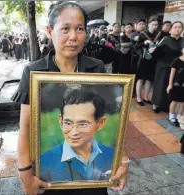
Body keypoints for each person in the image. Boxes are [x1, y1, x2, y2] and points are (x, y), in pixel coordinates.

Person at [11, 2, 129, 195]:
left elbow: (117, 122)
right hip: (51, 178)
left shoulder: (96, 68)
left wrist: (122, 160)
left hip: (93, 177)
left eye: (79, 29)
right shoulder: (34, 72)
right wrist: (25, 173)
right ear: (50, 31)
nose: (73, 37)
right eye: (65, 29)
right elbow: (25, 127)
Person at [40, 89, 114, 182]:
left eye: (83, 124)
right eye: (68, 123)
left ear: (100, 123)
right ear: (60, 120)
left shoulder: (113, 155)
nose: (74, 132)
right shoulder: (44, 162)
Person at [150, 21, 184, 113]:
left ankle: (165, 105)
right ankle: (156, 104)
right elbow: (156, 51)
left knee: (172, 86)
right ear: (171, 30)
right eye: (175, 27)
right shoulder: (166, 39)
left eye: (180, 27)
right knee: (160, 85)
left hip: (177, 67)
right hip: (164, 65)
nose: (177, 29)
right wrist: (152, 50)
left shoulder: (182, 41)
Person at [135, 16, 160, 106]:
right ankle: (138, 97)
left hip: (153, 60)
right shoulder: (143, 34)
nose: (155, 26)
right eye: (153, 24)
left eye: (156, 25)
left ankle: (145, 97)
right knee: (141, 79)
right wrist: (144, 43)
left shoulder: (158, 35)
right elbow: (136, 46)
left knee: (149, 79)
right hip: (144, 60)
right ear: (148, 25)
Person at [166, 44, 184, 126]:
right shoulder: (176, 60)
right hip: (176, 85)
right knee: (174, 101)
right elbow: (172, 74)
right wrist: (170, 84)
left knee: (182, 103)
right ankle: (172, 116)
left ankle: (179, 117)